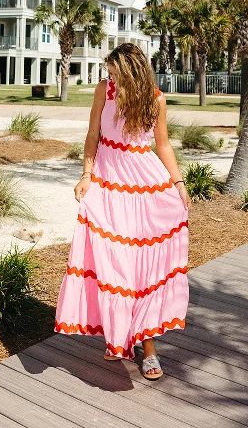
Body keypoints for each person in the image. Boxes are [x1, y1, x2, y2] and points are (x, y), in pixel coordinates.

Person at [55, 42, 190, 379]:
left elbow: (163, 145)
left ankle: (148, 349)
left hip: (146, 186)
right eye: (108, 70)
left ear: (130, 69)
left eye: (114, 70)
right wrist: (86, 175)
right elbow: (93, 133)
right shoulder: (104, 89)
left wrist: (179, 184)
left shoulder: (156, 98)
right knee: (113, 264)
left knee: (142, 269)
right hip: (108, 183)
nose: (109, 75)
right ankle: (118, 338)